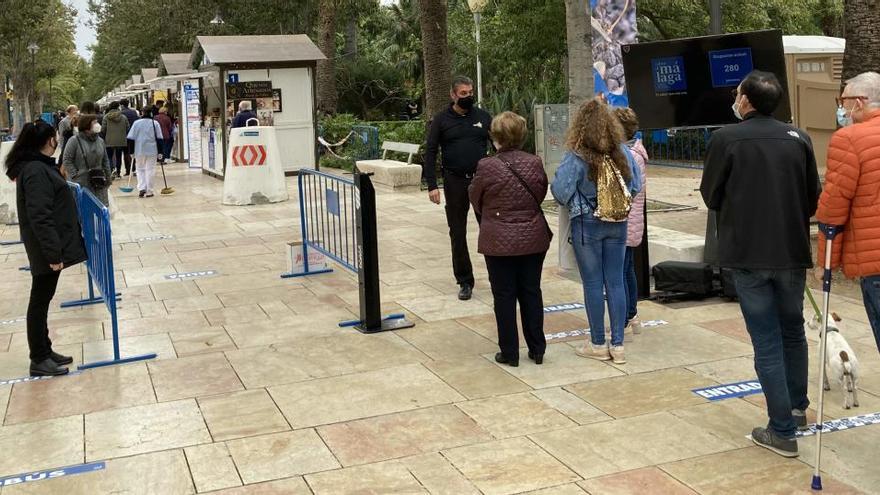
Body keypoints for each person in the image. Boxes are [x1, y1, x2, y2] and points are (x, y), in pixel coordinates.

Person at [700, 70, 821, 458]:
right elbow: (812, 196)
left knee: (768, 340)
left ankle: (782, 429)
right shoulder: (799, 138)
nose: (735, 99)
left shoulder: (724, 139)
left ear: (747, 101)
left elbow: (711, 194)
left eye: (737, 94)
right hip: (791, 251)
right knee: (793, 332)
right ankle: (796, 409)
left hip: (749, 254)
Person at [551, 97, 641, 365]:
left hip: (586, 224)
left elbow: (560, 191)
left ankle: (598, 343)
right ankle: (619, 345)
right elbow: (633, 187)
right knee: (615, 281)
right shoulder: (622, 152)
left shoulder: (577, 154)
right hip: (618, 222)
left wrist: (581, 203)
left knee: (592, 283)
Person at [4, 120, 87, 377]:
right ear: (47, 141)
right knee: (39, 302)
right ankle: (38, 358)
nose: (57, 141)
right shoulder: (35, 171)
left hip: (48, 245)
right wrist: (53, 254)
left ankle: (45, 349)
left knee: (42, 299)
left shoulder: (36, 167)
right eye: (54, 138)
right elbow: (40, 215)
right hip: (46, 248)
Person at [469, 111, 551, 367]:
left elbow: (476, 198)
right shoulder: (535, 162)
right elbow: (540, 191)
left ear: (496, 136)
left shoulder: (486, 165)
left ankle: (509, 351)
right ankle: (537, 348)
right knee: (531, 291)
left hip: (498, 238)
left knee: (504, 295)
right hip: (532, 237)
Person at [815, 71, 880, 353]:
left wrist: (826, 263)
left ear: (860, 102)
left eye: (843, 101)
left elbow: (833, 208)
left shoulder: (850, 139)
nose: (841, 108)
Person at [423, 76, 493, 300]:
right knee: (458, 232)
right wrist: (433, 185)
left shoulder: (483, 117)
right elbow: (431, 151)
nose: (468, 97)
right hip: (455, 181)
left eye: (470, 92)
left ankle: (497, 276)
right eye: (463, 94)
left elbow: (499, 145)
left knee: (491, 228)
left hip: (481, 181)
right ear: (453, 95)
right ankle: (465, 280)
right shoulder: (441, 120)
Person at [614, 107, 648, 335]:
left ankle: (625, 318)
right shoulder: (636, 152)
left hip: (625, 220)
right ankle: (632, 314)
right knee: (627, 269)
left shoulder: (628, 156)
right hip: (633, 220)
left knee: (622, 271)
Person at [63, 114, 112, 206]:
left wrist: (108, 177)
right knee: (84, 209)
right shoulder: (74, 141)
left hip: (98, 181)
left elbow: (105, 160)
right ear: (86, 125)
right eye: (95, 122)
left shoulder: (100, 141)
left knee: (99, 208)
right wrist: (75, 175)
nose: (97, 124)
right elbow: (67, 159)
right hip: (81, 182)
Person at [127, 106, 164, 198]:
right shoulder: (155, 123)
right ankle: (149, 191)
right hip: (152, 150)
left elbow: (130, 138)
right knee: (150, 169)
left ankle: (141, 188)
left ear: (142, 113)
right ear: (151, 113)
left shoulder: (136, 123)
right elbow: (159, 139)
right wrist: (160, 152)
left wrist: (131, 151)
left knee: (140, 169)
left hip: (138, 150)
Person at [102, 101, 130, 178]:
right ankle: (118, 172)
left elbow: (103, 129)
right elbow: (128, 128)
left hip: (109, 140)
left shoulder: (106, 117)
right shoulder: (123, 117)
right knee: (118, 157)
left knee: (109, 157)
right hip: (121, 140)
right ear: (118, 107)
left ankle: (111, 171)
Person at [119, 98, 139, 176]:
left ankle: (128, 170)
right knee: (133, 152)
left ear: (122, 105)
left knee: (126, 153)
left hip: (124, 135)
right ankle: (134, 168)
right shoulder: (133, 112)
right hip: (134, 135)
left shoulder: (121, 113)